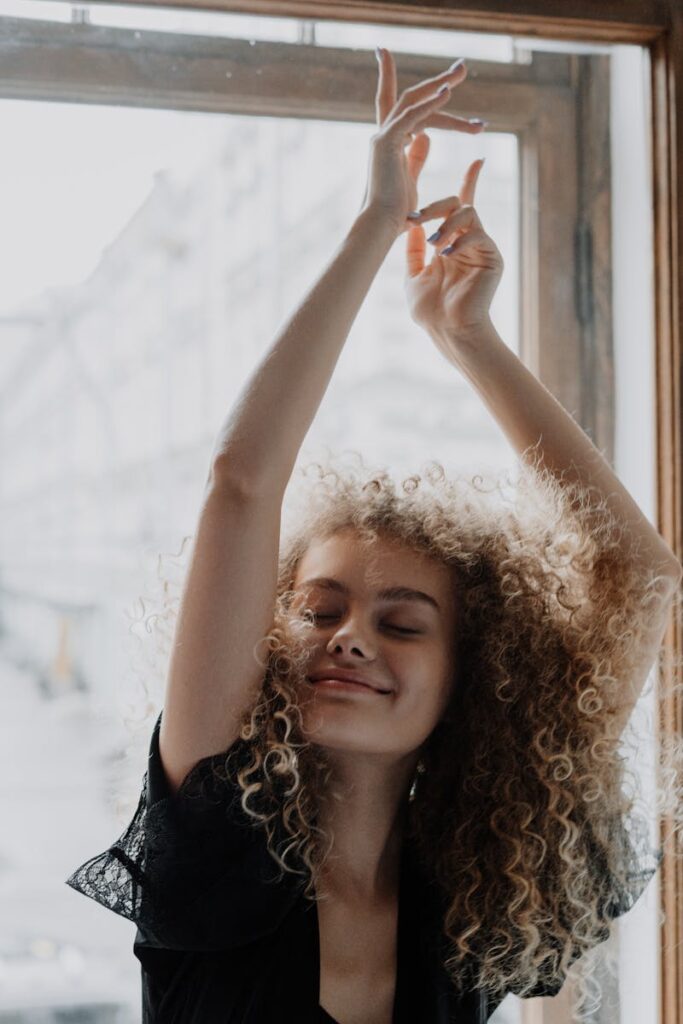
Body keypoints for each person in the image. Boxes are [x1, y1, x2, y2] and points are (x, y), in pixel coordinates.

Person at [66, 47, 681, 1024]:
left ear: (468, 675)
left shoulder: (481, 890)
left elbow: (635, 572)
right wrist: (371, 225)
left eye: (402, 623)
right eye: (318, 607)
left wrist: (466, 336)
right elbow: (240, 484)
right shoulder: (212, 845)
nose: (348, 636)